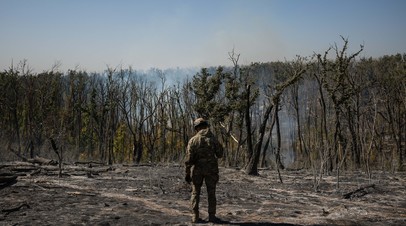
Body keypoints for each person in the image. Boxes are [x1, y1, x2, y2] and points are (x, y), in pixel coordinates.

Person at [185, 118, 224, 223]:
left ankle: (195, 217)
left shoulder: (193, 140)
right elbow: (220, 154)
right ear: (206, 126)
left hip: (197, 170)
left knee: (195, 193)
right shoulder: (213, 138)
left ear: (196, 128)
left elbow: (188, 160)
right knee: (211, 193)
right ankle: (212, 216)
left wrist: (187, 173)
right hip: (211, 170)